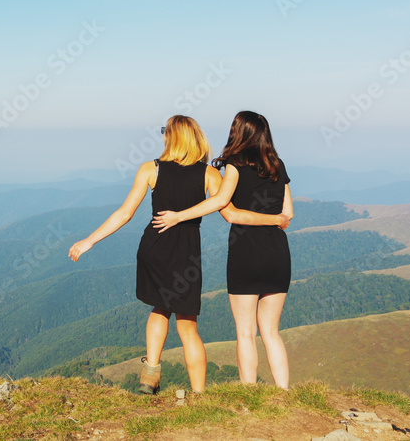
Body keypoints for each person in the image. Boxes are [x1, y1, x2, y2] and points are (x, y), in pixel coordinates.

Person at [69, 115, 221, 394]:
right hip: (186, 251)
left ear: (172, 137)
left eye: (165, 131)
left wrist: (90, 240)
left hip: (155, 247)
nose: (162, 135)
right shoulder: (209, 175)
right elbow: (226, 208)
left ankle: (149, 380)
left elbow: (125, 213)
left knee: (159, 309)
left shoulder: (151, 170)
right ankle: (199, 395)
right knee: (188, 326)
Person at [152, 111, 293, 389]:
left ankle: (249, 392)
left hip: (246, 254)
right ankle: (284, 393)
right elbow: (288, 213)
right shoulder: (278, 166)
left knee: (245, 333)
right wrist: (275, 220)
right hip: (278, 254)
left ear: (237, 132)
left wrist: (180, 215)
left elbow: (228, 211)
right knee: (272, 332)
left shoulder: (234, 166)